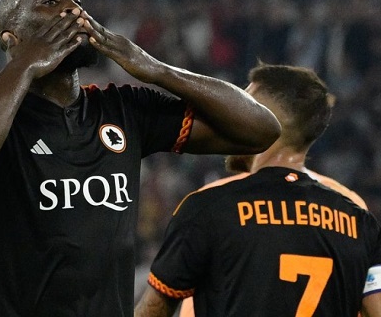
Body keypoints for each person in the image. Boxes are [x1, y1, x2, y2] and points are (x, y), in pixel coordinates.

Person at [0, 0, 281, 317]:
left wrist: (157, 70)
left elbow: (260, 130)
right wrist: (25, 65)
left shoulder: (122, 108)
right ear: (12, 38)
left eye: (77, 2)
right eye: (50, 2)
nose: (73, 10)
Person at [134, 63, 381, 317]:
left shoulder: (209, 208)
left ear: (262, 120)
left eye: (242, 106)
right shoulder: (359, 220)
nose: (228, 118)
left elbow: (153, 311)